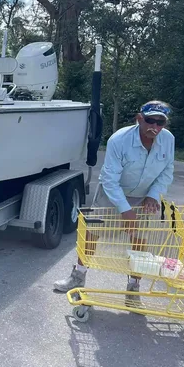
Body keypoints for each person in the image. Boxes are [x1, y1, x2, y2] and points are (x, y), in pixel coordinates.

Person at [53, 100, 175, 298]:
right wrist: (125, 210)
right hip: (112, 193)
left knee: (140, 240)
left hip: (143, 196)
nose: (154, 126)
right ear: (139, 119)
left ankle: (134, 285)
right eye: (149, 120)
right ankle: (78, 276)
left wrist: (153, 195)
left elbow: (167, 171)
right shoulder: (119, 140)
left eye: (160, 122)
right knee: (92, 233)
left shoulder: (168, 140)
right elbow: (110, 180)